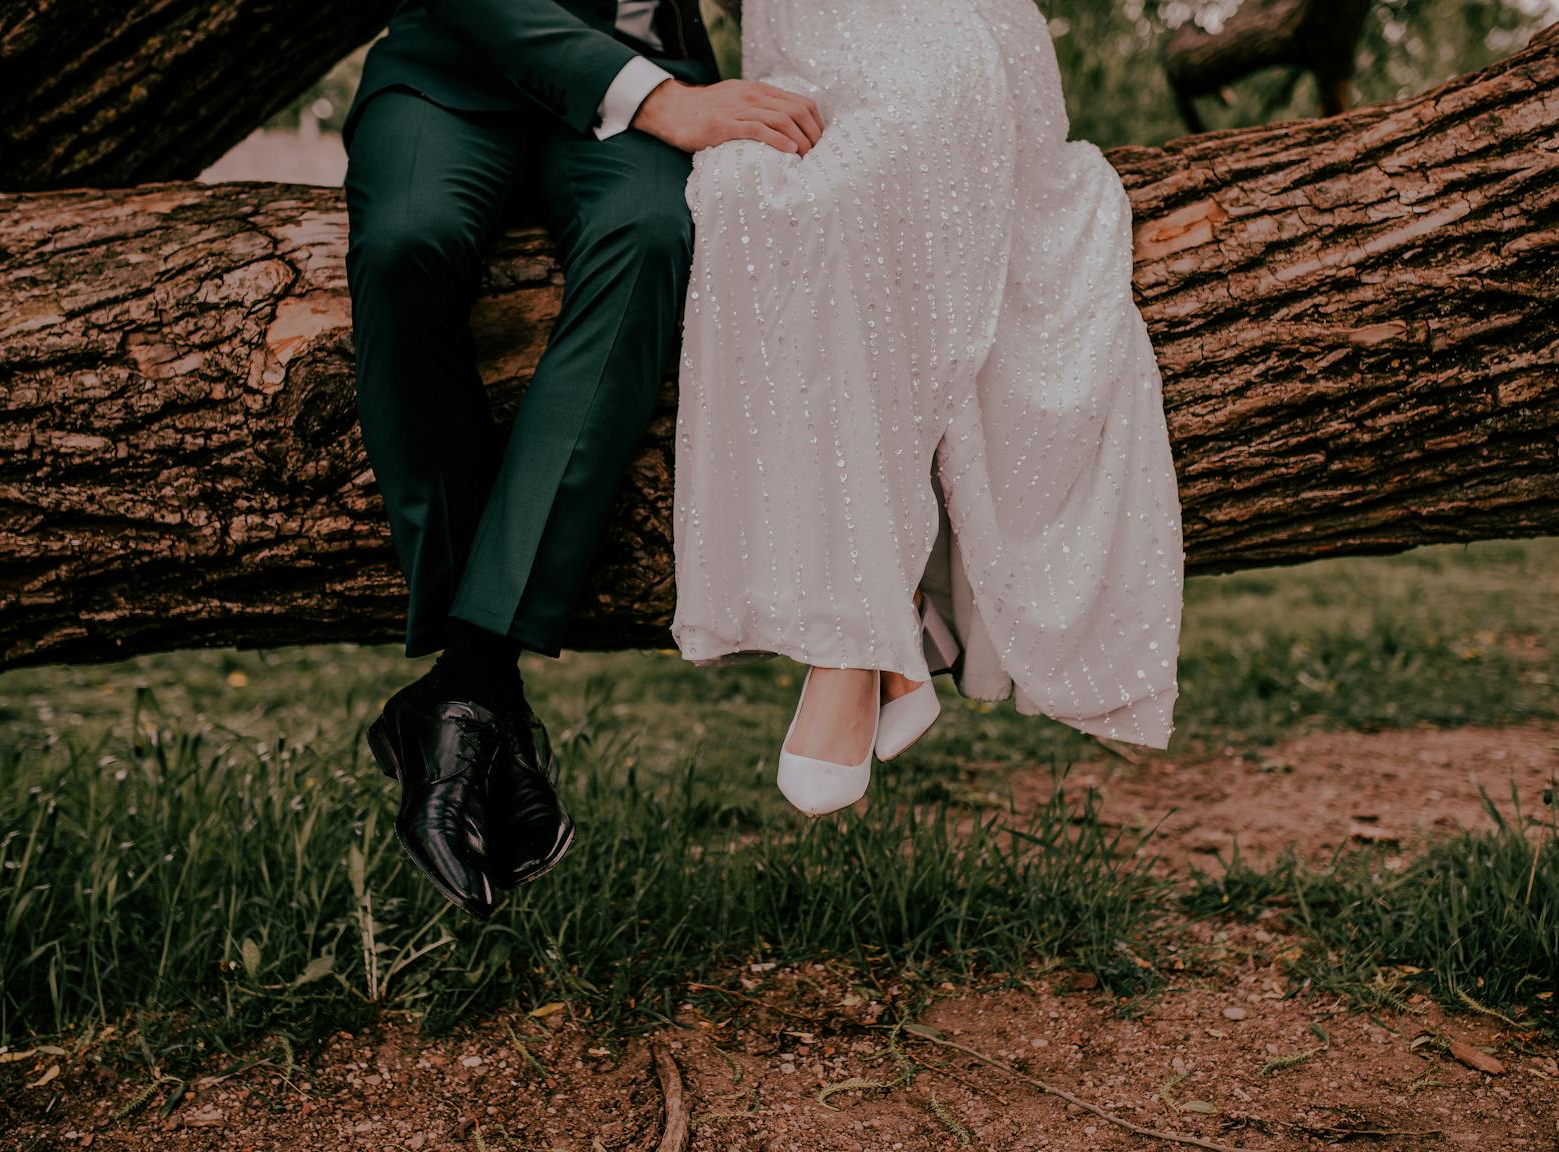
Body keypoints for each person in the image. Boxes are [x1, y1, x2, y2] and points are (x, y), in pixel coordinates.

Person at [342, 0, 823, 917]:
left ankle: (465, 687)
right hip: (450, 69)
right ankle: (482, 700)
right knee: (407, 243)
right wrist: (657, 101)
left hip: (651, 77)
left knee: (651, 241)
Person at [670, 0, 1187, 816]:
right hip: (798, 43)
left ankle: (853, 648)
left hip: (932, 35)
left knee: (854, 180)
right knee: (743, 190)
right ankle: (893, 611)